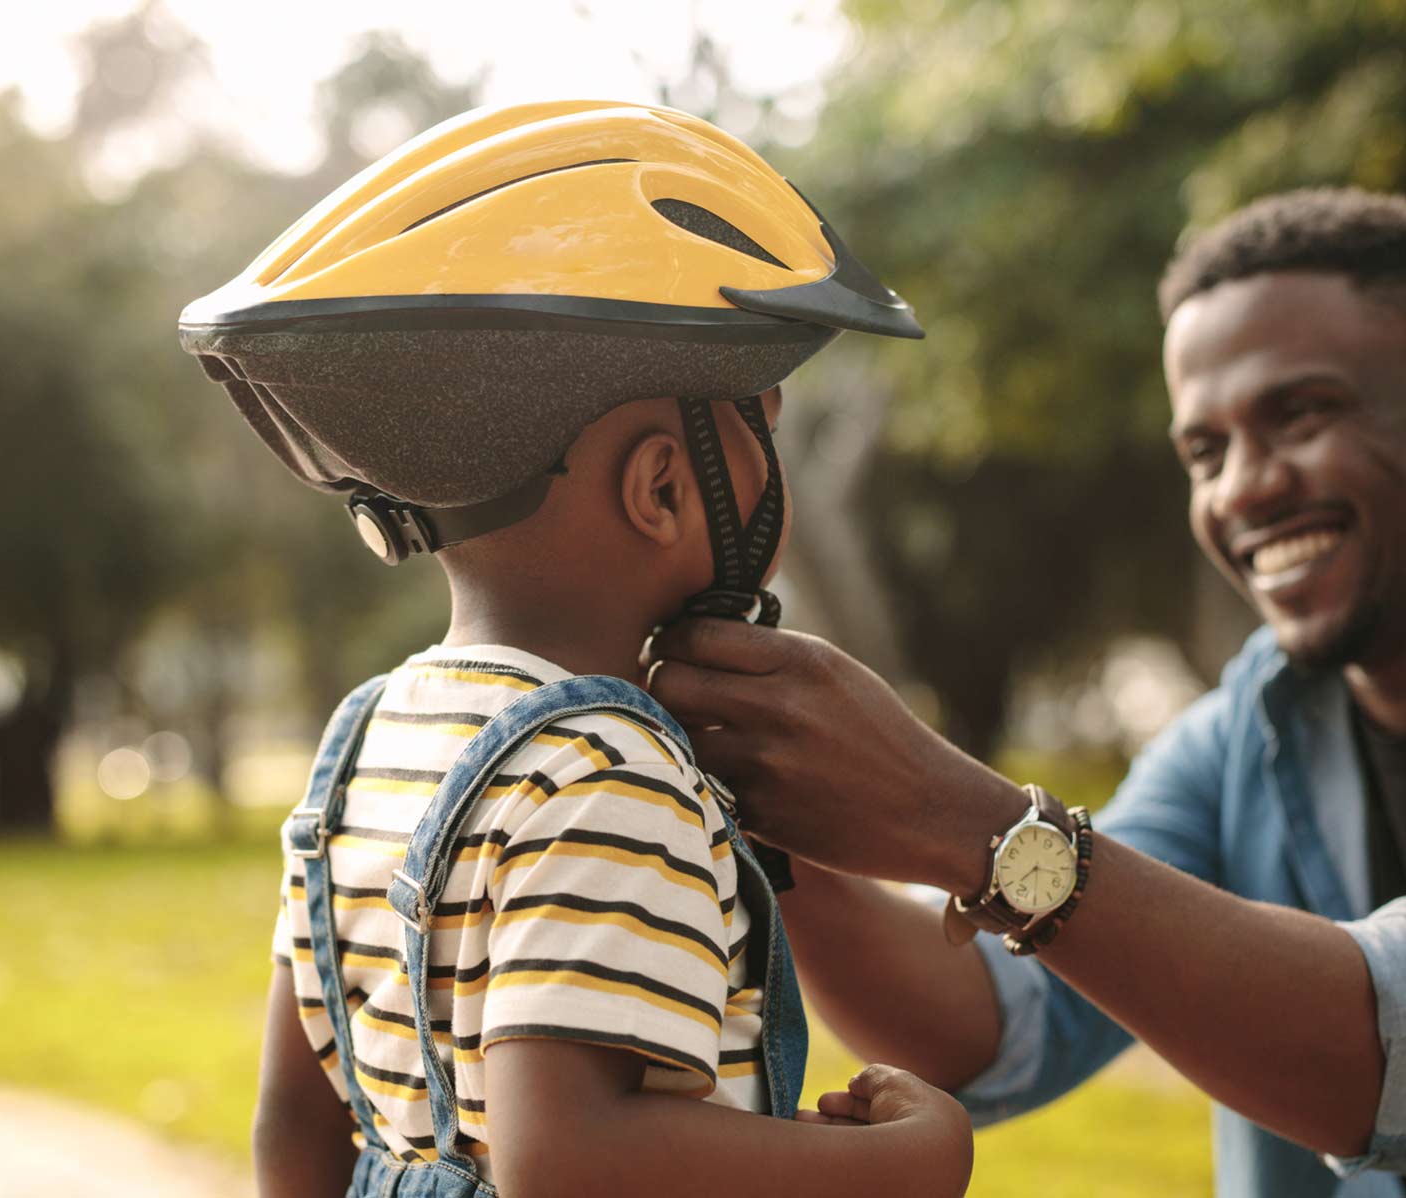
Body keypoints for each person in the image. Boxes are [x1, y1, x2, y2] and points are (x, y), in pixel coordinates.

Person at [643, 188, 1406, 1196]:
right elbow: (990, 1027)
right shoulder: (1248, 732)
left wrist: (962, 818)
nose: (1245, 489)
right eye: (1205, 450)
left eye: (1303, 414)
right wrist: (761, 793)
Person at [178, 101, 972, 1198]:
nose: (773, 457)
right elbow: (572, 1158)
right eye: (767, 426)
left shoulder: (366, 739)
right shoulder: (607, 771)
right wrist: (896, 1165)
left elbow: (292, 1127)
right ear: (660, 486)